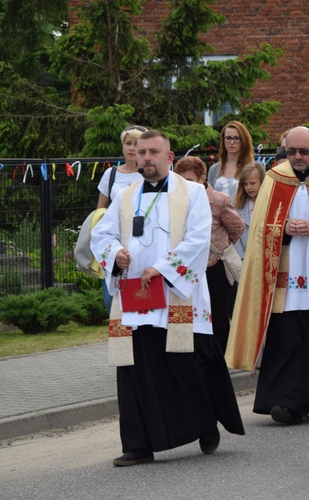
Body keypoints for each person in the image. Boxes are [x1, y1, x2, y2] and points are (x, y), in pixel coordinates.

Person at [90, 130, 244, 466]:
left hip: (177, 293)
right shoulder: (126, 195)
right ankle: (139, 443)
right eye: (141, 152)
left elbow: (199, 239)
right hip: (136, 295)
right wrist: (116, 254)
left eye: (153, 152)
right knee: (136, 369)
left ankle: (205, 423)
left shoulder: (190, 193)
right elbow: (101, 234)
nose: (145, 157)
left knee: (186, 366)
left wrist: (161, 269)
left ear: (169, 156)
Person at [225, 126, 309, 424]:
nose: (297, 157)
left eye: (304, 151)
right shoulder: (274, 177)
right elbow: (260, 229)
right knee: (287, 337)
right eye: (291, 151)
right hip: (285, 272)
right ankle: (285, 401)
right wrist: (281, 230)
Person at [174, 156, 244, 353]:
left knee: (218, 314)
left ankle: (221, 355)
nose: (185, 185)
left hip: (214, 266)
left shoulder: (219, 200)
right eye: (181, 180)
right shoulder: (177, 200)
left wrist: (223, 246)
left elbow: (237, 227)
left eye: (189, 180)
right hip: (188, 268)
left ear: (202, 177)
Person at [95, 125, 146, 314]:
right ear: (123, 146)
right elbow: (100, 212)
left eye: (136, 144)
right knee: (112, 301)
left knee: (141, 300)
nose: (132, 148)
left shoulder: (150, 175)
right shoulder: (111, 174)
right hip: (115, 241)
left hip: (142, 241)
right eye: (128, 143)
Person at [207, 120, 255, 200]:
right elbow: (210, 200)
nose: (232, 142)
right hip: (219, 212)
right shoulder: (214, 169)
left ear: (243, 140)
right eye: (228, 138)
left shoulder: (251, 168)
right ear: (223, 140)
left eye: (236, 138)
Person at [232, 161, 266, 259]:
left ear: (262, 182)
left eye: (252, 183)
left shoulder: (271, 204)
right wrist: (242, 258)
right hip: (245, 257)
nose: (248, 187)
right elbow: (235, 236)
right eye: (245, 184)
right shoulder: (238, 206)